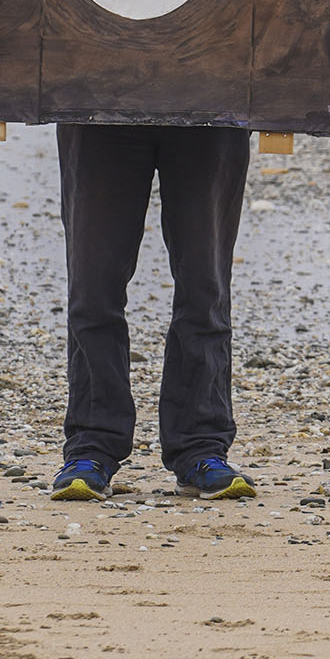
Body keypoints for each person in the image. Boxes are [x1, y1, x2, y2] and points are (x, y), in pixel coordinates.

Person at [47, 125, 259, 502]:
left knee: (204, 290)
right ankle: (91, 447)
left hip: (214, 105)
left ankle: (201, 448)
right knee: (93, 292)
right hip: (95, 105)